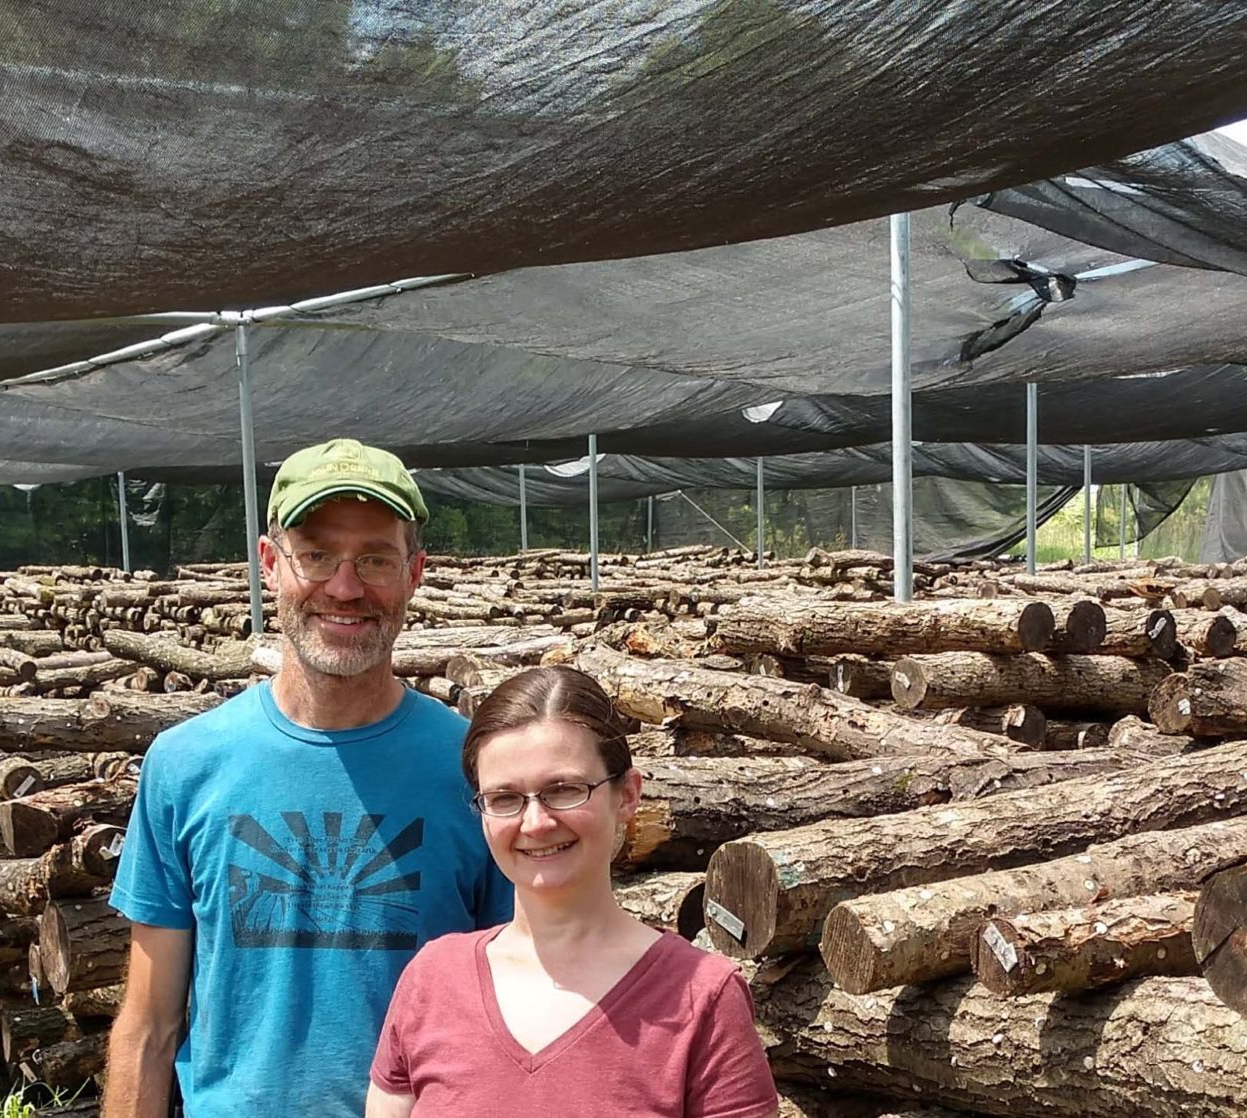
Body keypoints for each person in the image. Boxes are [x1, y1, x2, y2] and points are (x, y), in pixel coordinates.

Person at [104, 439, 514, 1118]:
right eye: (316, 555)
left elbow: (520, 1007)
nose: (345, 587)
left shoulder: (474, 767)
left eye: (376, 559)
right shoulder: (186, 763)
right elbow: (148, 1029)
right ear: (270, 565)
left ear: (415, 572)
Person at [366, 667, 778, 1117]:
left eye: (563, 790)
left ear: (627, 795)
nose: (536, 823)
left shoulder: (703, 997)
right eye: (505, 798)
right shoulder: (432, 980)